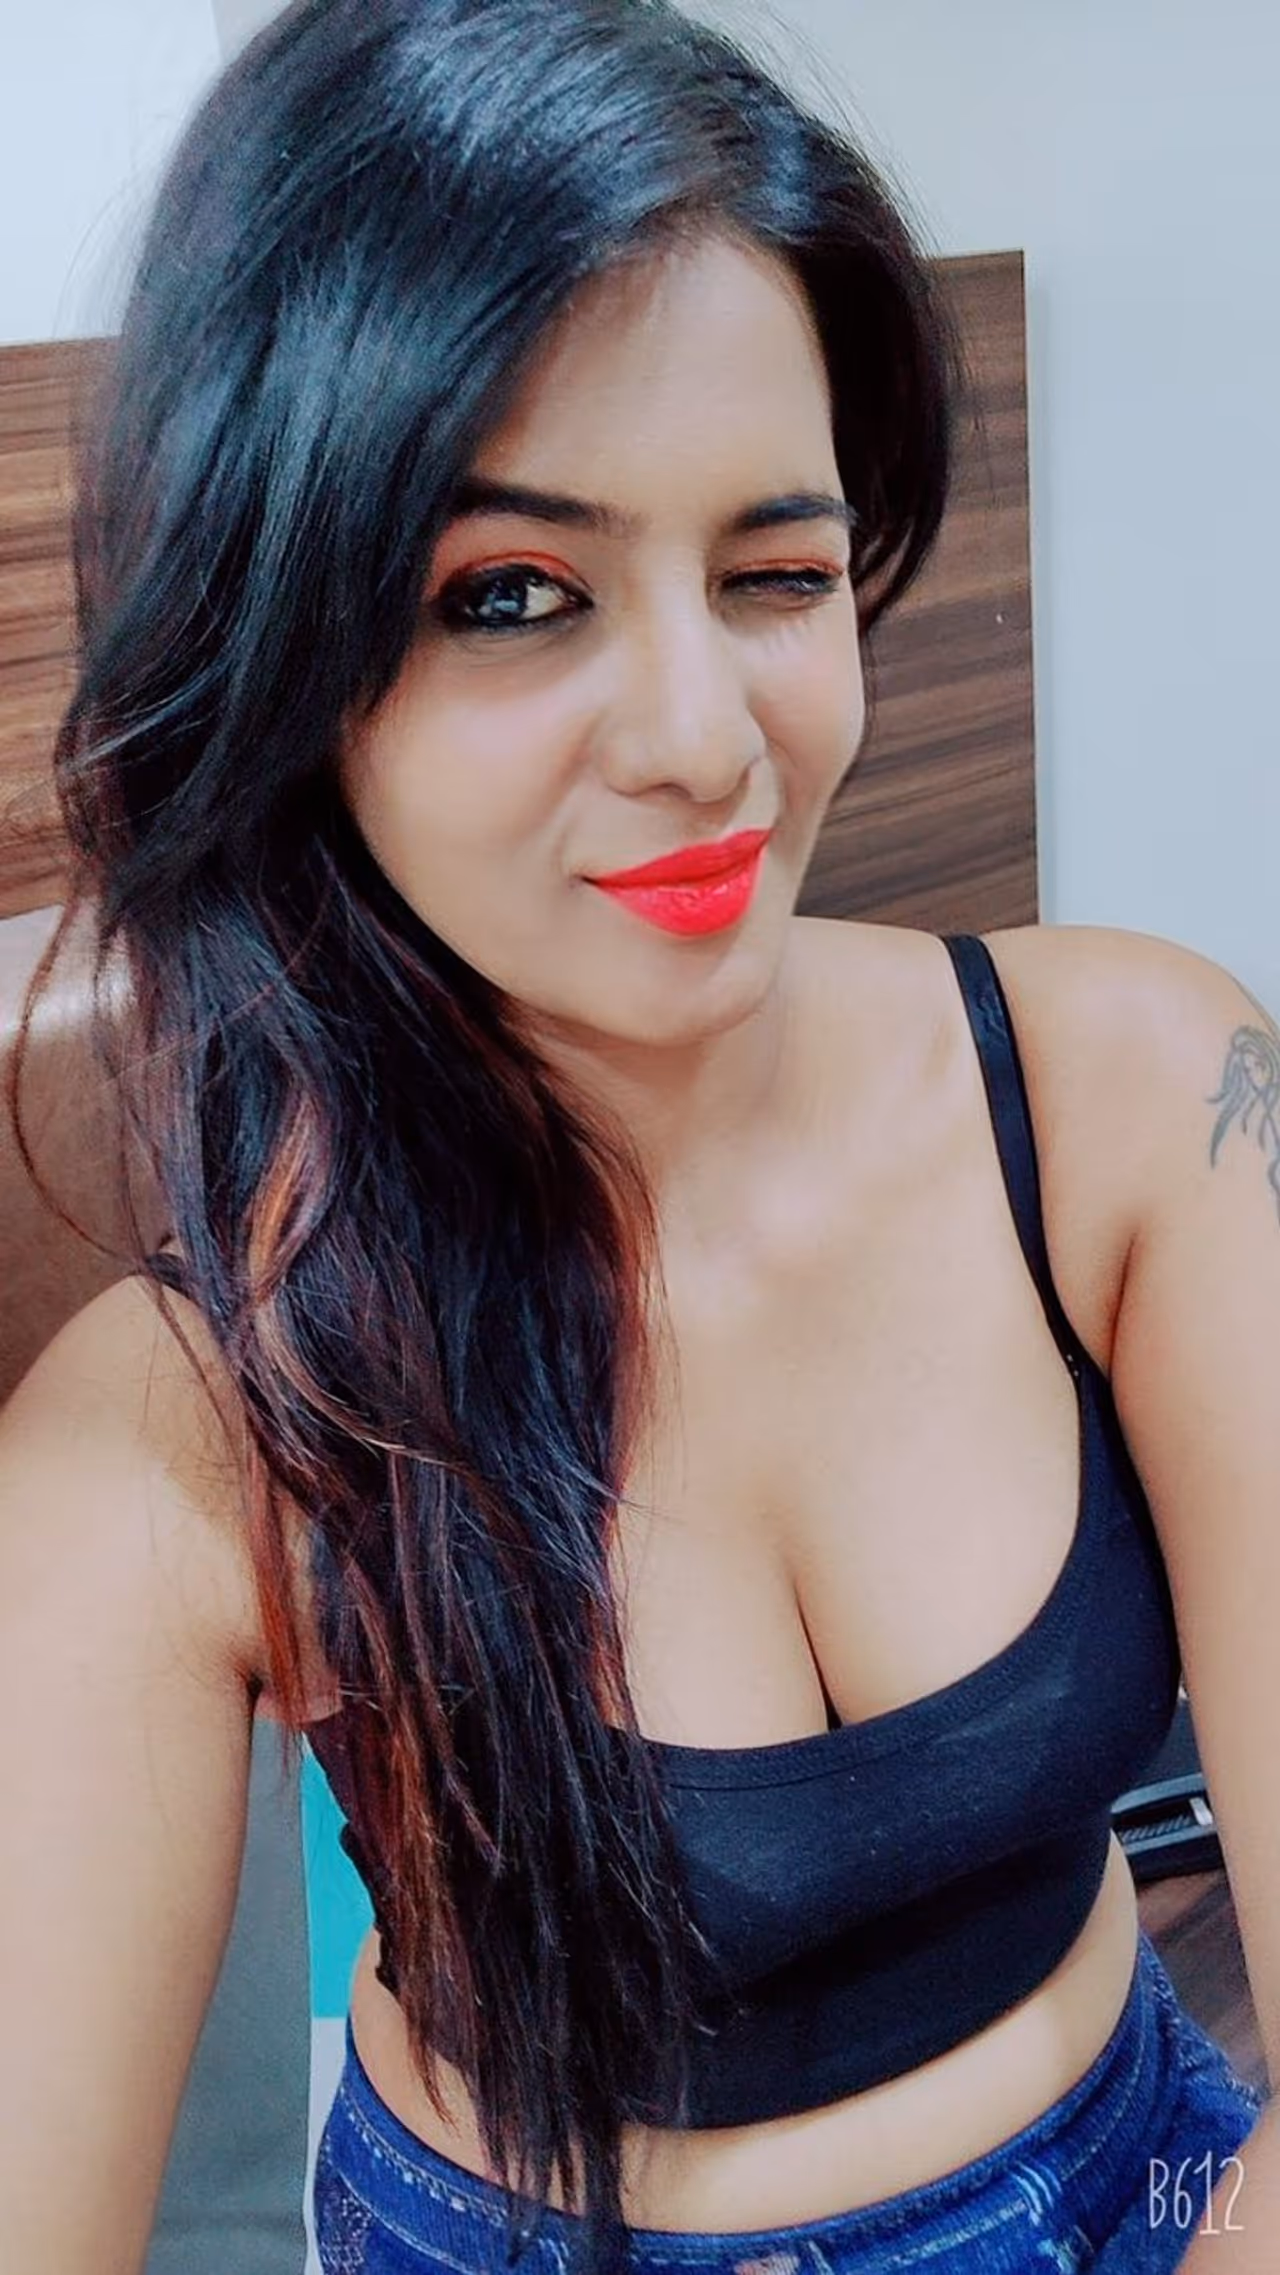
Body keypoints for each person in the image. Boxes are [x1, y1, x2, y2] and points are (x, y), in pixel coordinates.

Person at [2, 1, 1277, 2270]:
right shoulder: (183, 1434)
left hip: (1163, 2178)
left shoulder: (1135, 1101)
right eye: (512, 596)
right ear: (285, 649)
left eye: (776, 572)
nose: (705, 739)